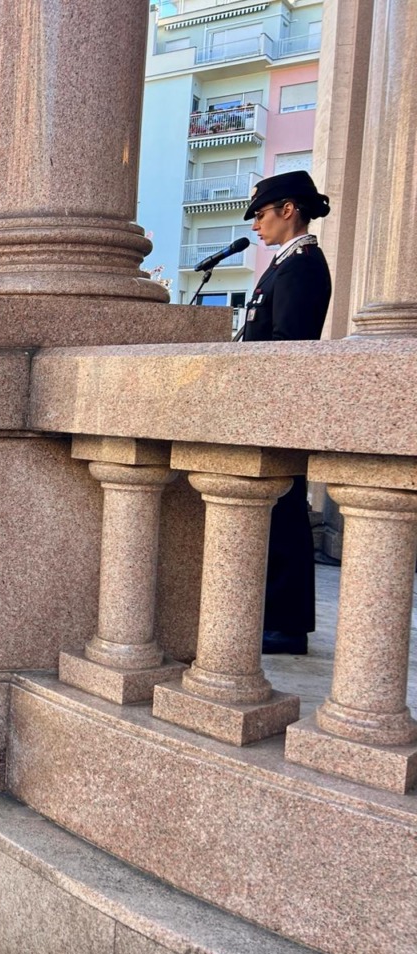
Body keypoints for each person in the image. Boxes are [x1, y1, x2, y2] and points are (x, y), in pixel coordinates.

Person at [240, 170, 333, 656]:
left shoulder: (301, 265)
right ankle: (277, 618)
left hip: (277, 408)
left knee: (285, 517)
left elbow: (287, 347)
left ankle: (285, 625)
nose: (257, 225)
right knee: (276, 513)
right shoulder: (284, 263)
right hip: (265, 405)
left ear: (288, 210)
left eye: (261, 214)